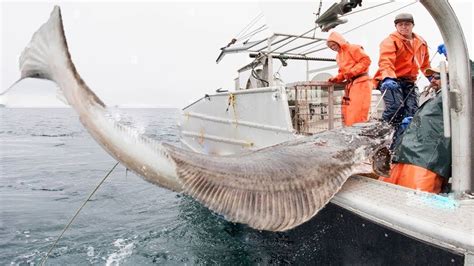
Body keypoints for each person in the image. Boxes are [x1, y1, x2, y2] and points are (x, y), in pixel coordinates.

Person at [379, 67, 450, 193]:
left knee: (415, 200)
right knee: (385, 193)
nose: (432, 80)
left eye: (437, 77)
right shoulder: (435, 96)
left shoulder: (453, 92)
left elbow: (469, 76)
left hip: (426, 159)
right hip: (404, 153)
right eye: (432, 77)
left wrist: (455, 56)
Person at [373, 13, 431, 149]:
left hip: (409, 81)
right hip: (391, 80)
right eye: (400, 25)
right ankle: (382, 139)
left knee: (412, 112)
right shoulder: (390, 41)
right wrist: (387, 77)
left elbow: (425, 65)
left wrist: (432, 78)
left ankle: (402, 144)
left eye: (407, 24)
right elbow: (386, 60)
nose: (404, 27)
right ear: (396, 26)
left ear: (412, 25)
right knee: (395, 108)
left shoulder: (421, 43)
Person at [326, 31, 372, 126]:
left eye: (334, 45)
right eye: (331, 47)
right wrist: (336, 79)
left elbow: (366, 60)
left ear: (339, 41)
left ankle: (358, 134)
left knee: (357, 112)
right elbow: (343, 72)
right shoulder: (338, 56)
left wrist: (352, 72)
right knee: (347, 111)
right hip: (350, 85)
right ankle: (351, 134)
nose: (333, 48)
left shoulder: (354, 48)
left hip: (361, 83)